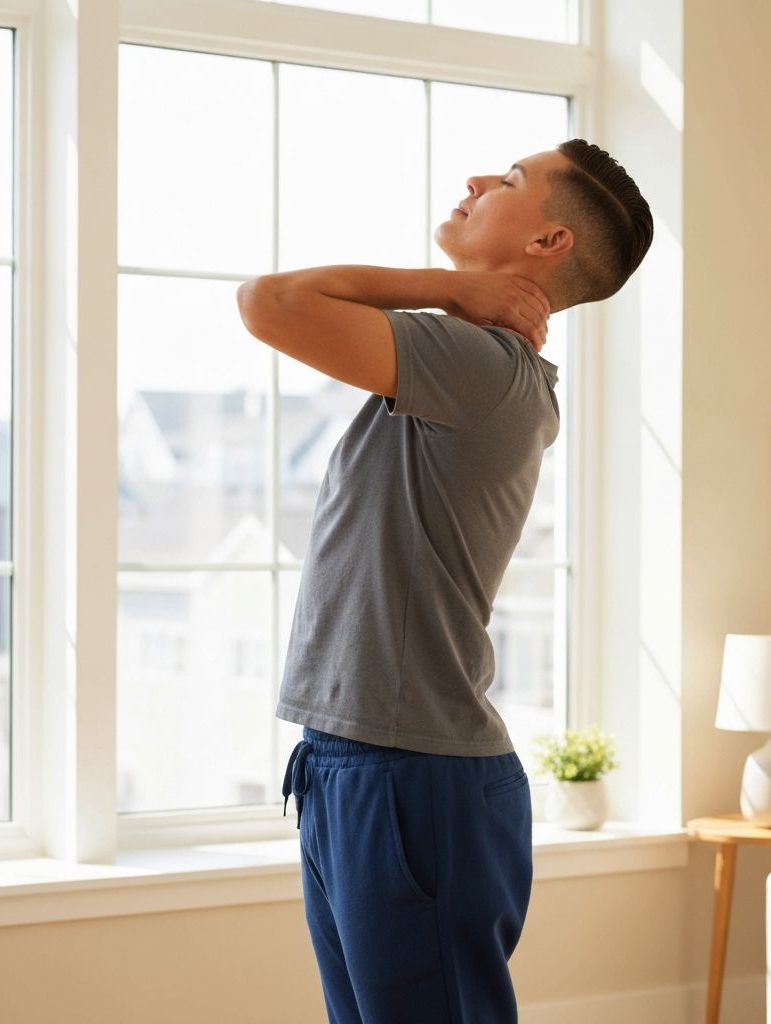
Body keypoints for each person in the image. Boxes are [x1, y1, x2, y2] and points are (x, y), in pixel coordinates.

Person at [236, 138, 653, 1024]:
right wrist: (456, 292)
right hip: (356, 761)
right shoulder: (459, 366)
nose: (474, 181)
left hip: (410, 776)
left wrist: (450, 286)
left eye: (506, 181)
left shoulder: (480, 367)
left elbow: (268, 303)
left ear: (548, 244)